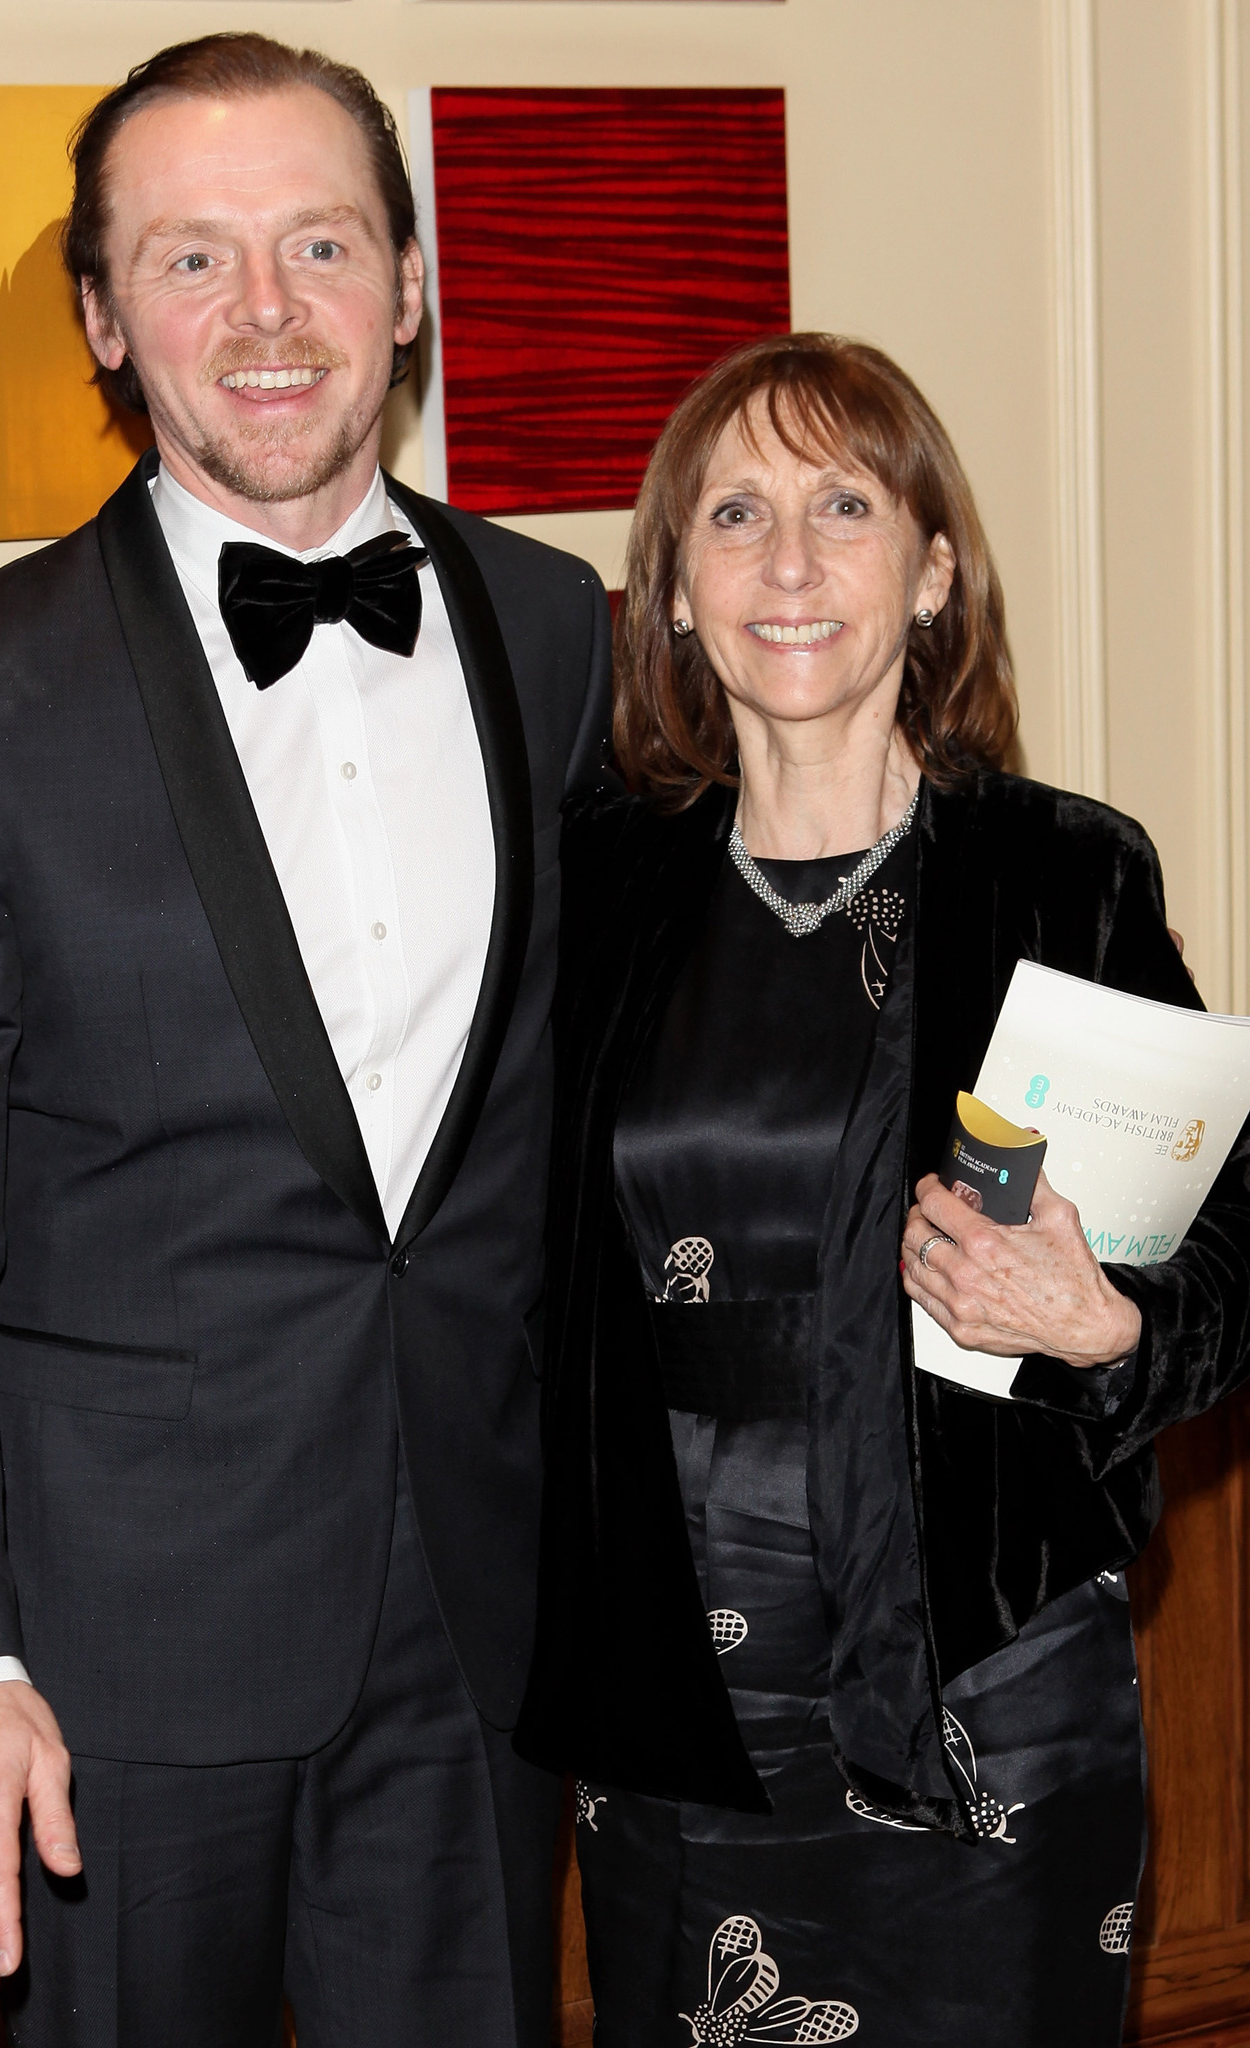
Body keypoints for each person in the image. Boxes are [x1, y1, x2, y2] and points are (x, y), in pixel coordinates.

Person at [0, 33, 609, 2048]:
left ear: (409, 286)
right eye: (189, 259)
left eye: (321, 243)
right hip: (105, 1682)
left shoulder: (561, 625)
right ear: (100, 314)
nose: (266, 314)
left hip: (480, 1639)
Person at [513, 332, 1250, 2046]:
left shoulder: (1062, 870)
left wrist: (1107, 1322)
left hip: (979, 1669)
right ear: (671, 593)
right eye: (735, 515)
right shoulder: (592, 887)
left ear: (928, 570)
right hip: (671, 1681)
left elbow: (1235, 1246)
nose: (788, 564)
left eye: (845, 506)